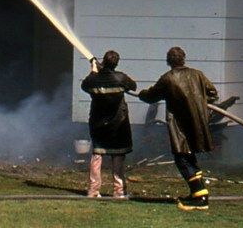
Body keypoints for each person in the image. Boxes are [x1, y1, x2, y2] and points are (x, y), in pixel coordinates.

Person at [137, 45, 219, 211]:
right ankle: (196, 193)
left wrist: (141, 94)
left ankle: (201, 197)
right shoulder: (198, 74)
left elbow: (151, 96)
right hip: (197, 123)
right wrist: (198, 103)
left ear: (168, 62)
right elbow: (213, 94)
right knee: (189, 157)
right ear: (184, 59)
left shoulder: (168, 79)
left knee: (182, 158)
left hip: (180, 126)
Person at [80, 49, 137, 199]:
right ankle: (119, 191)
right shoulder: (121, 78)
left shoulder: (94, 80)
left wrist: (94, 71)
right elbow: (133, 86)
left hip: (98, 123)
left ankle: (93, 190)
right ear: (116, 64)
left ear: (103, 62)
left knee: (97, 154)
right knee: (118, 155)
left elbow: (84, 85)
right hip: (118, 123)